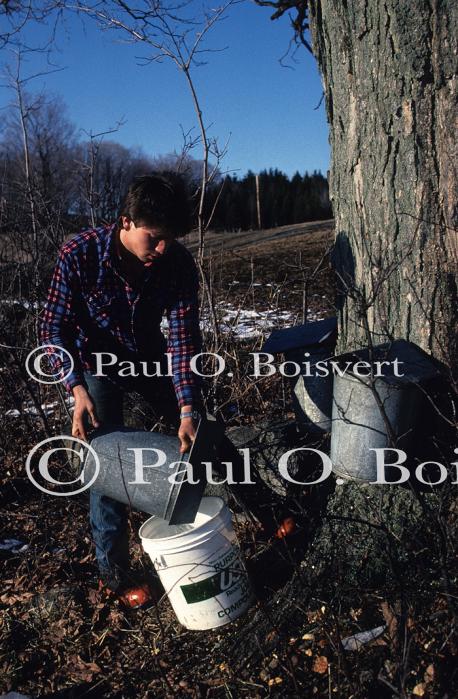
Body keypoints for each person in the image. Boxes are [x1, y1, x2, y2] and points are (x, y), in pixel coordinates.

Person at [39, 173, 203, 607]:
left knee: (201, 437)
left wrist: (187, 408)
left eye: (170, 238)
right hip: (96, 367)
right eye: (154, 236)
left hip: (151, 359)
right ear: (125, 221)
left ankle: (245, 517)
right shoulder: (81, 254)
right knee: (104, 466)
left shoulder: (177, 264)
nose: (162, 247)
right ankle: (115, 576)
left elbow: (185, 341)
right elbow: (52, 327)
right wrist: (75, 387)